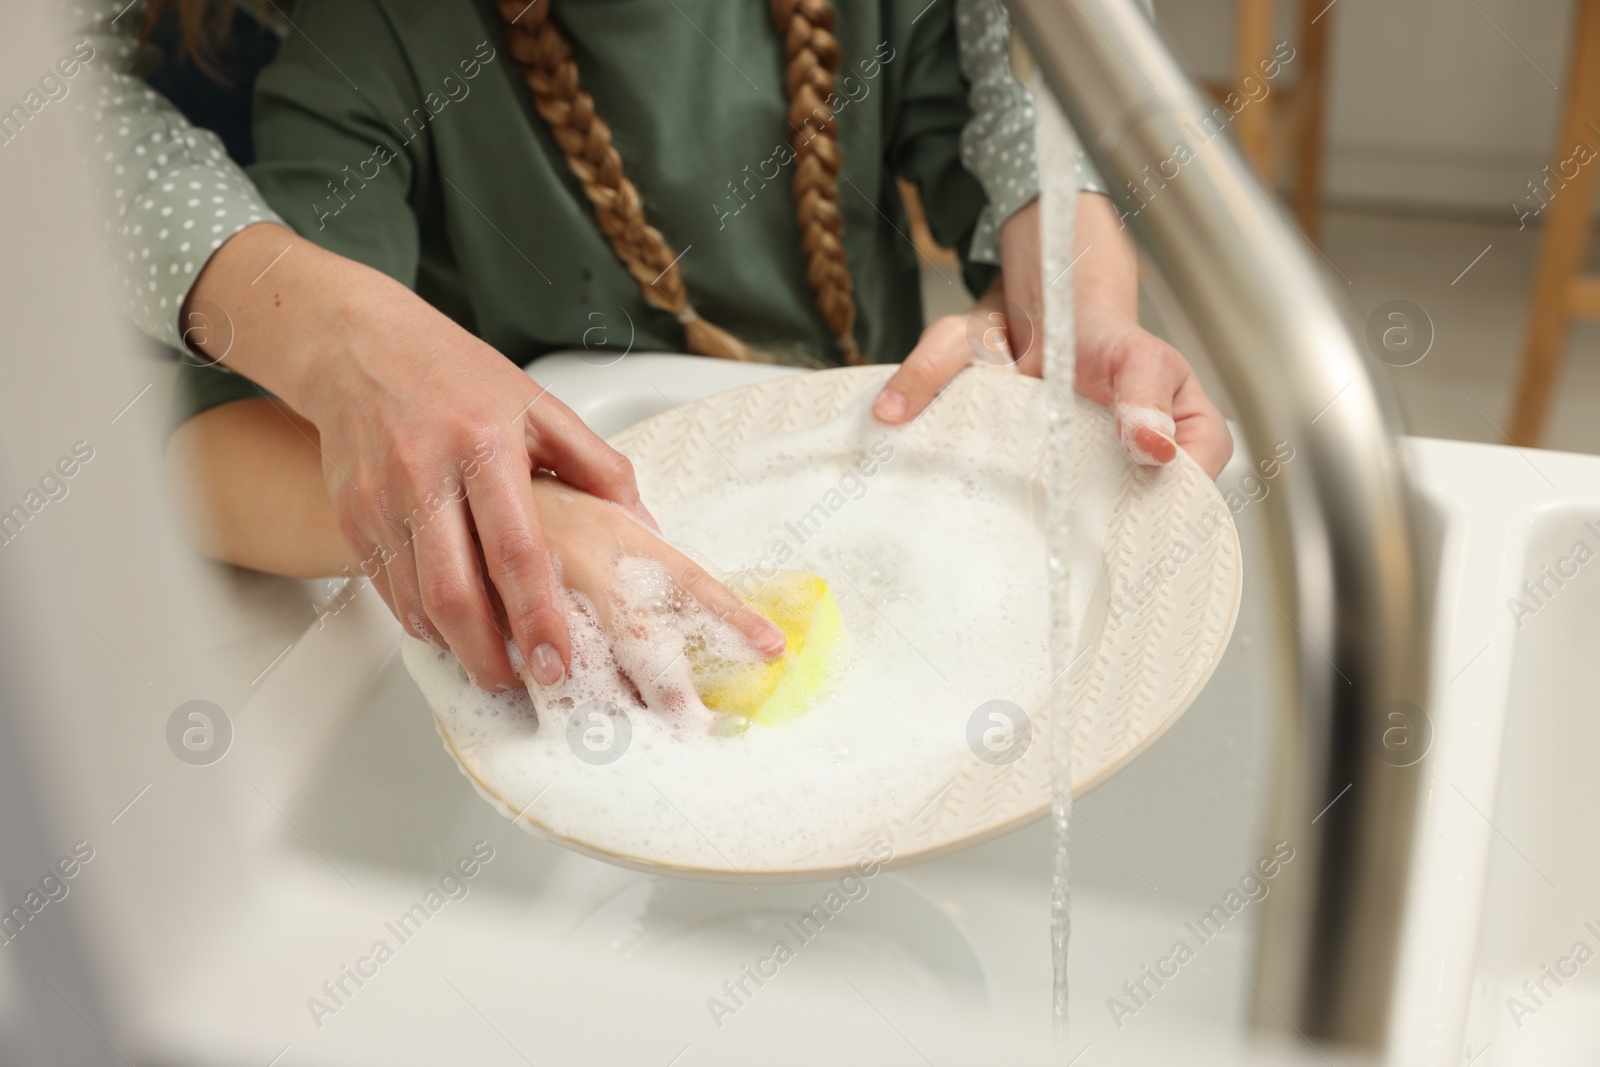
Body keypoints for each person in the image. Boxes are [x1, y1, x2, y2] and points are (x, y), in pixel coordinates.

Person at [83, 0, 1228, 699]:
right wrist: (508, 523)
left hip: (878, 576)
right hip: (601, 652)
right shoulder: (375, 39)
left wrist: (1081, 327)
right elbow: (205, 451)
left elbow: (1016, 150)